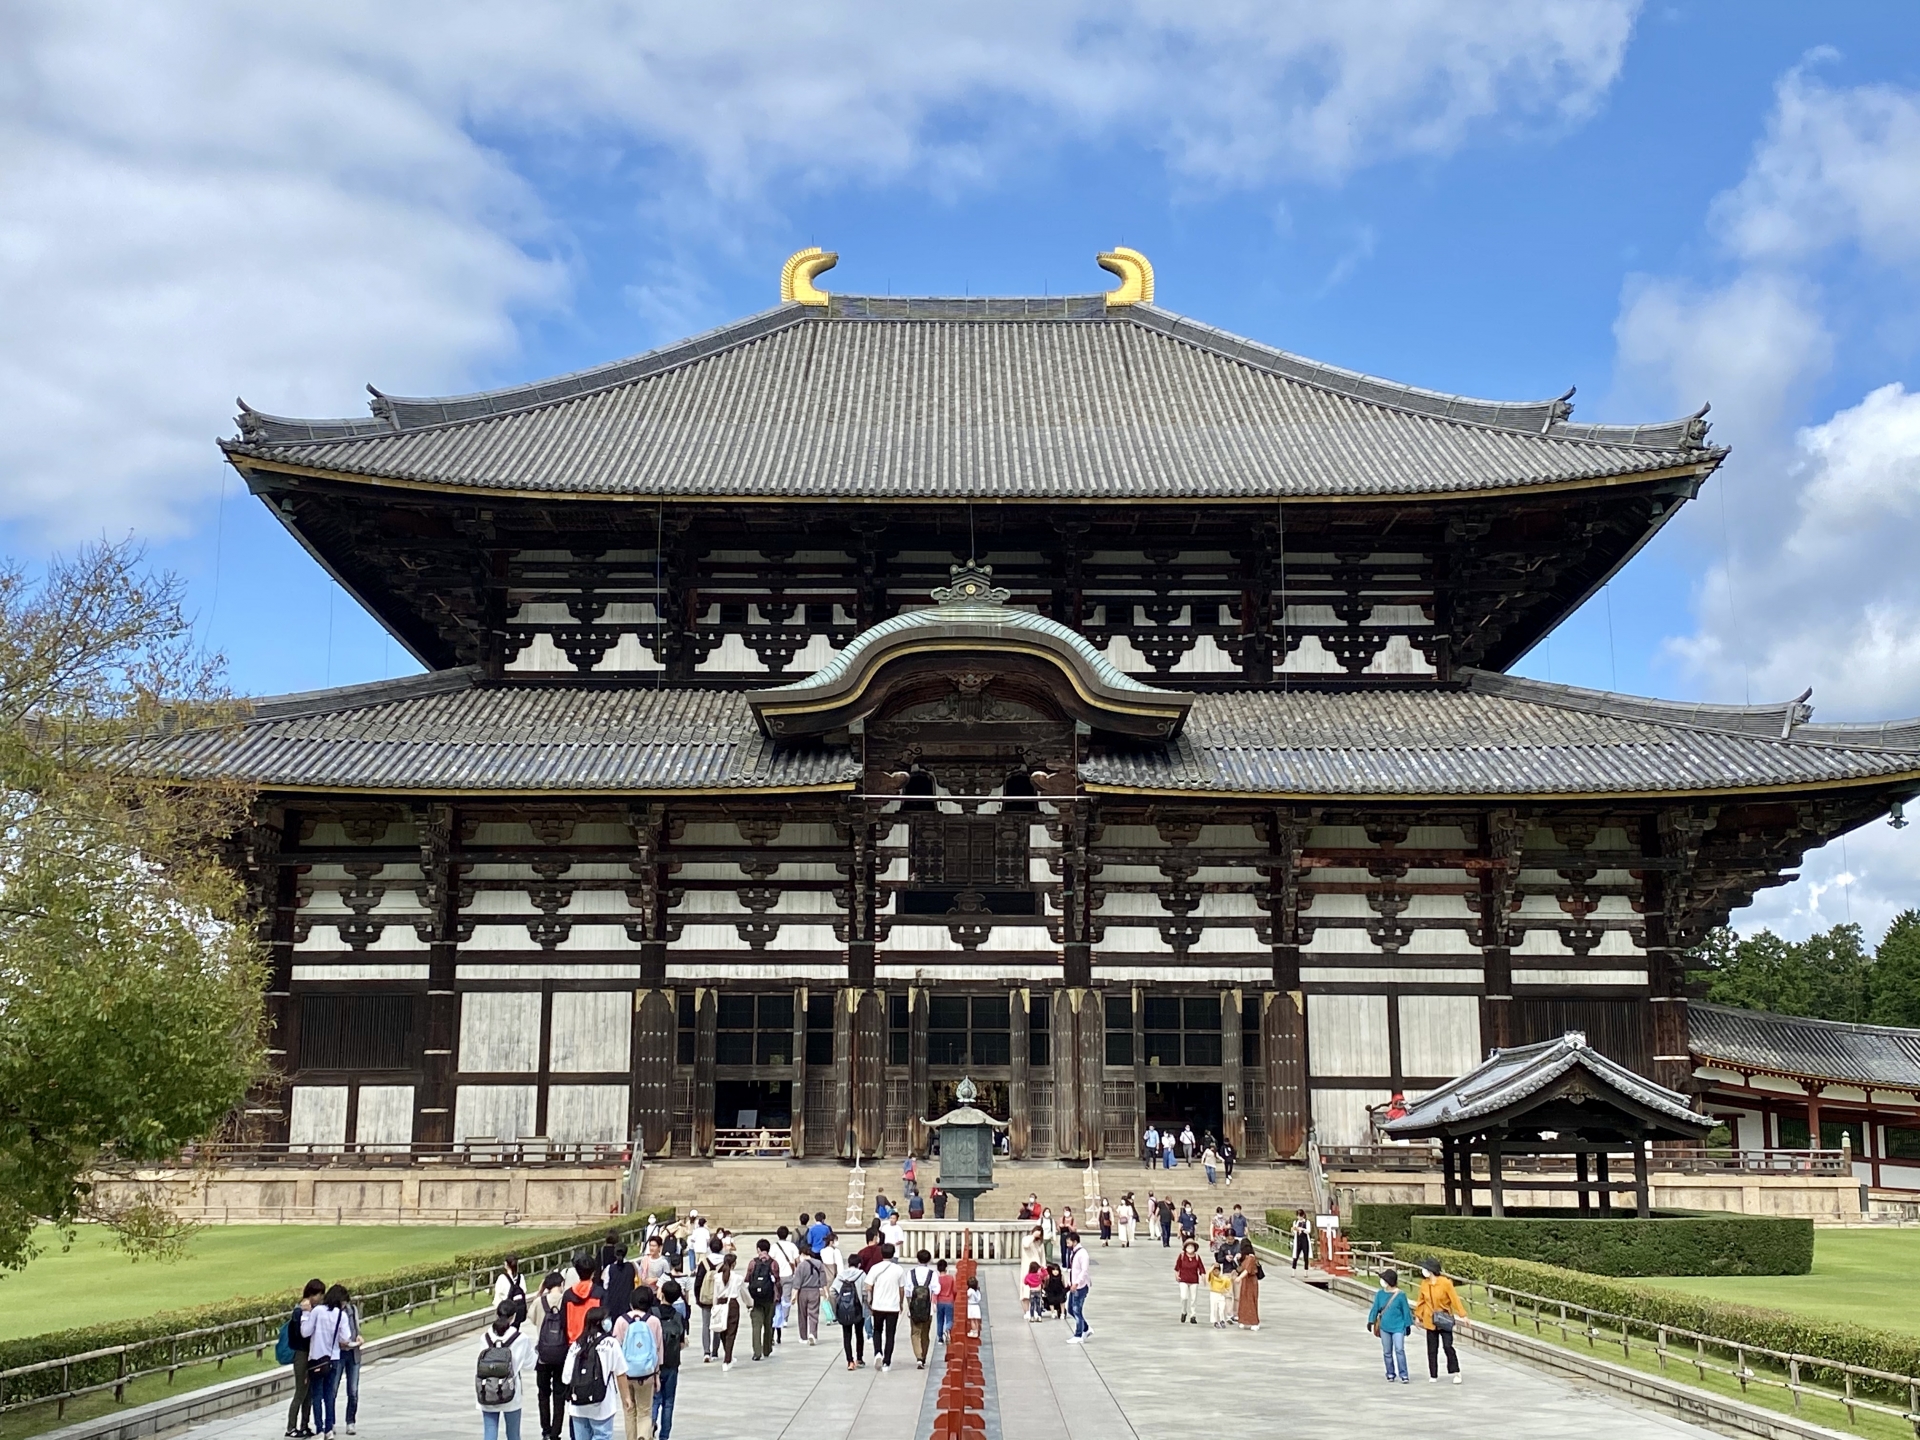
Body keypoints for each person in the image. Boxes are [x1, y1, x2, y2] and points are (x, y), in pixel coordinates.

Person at [477, 1299, 536, 1440]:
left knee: (490, 1432)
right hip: (510, 1390)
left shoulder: (484, 1337)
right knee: (513, 1434)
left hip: (488, 1389)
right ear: (513, 1316)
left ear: (497, 1314)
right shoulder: (521, 1338)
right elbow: (531, 1364)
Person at [562, 1307, 622, 1440]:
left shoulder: (576, 1345)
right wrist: (626, 1397)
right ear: (600, 1322)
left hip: (578, 1405)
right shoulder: (611, 1344)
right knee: (602, 1435)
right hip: (602, 1403)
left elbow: (566, 1377)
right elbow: (621, 1371)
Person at [612, 1285, 662, 1440]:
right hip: (647, 1373)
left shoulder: (621, 1321)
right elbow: (659, 1351)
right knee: (645, 1411)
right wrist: (657, 1375)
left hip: (625, 1374)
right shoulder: (653, 1321)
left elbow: (615, 1348)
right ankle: (643, 1436)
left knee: (629, 1411)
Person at [301, 1281, 349, 1440]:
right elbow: (345, 1338)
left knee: (317, 1396)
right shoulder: (341, 1315)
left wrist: (306, 1314)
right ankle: (329, 1429)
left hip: (317, 1359)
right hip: (333, 1359)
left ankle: (319, 1430)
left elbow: (305, 1332)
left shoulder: (318, 1311)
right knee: (329, 1396)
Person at [1414, 1259, 1468, 1383]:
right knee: (1432, 1349)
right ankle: (1433, 1374)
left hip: (1444, 1319)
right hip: (1430, 1320)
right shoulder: (1424, 1284)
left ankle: (1456, 1372)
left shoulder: (1445, 1283)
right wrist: (1418, 1316)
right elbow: (1421, 1301)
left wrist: (1462, 1314)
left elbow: (1455, 1299)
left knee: (1447, 1346)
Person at [532, 1272, 571, 1440]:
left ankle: (545, 1430)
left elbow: (531, 1318)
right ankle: (556, 1432)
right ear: (561, 1284)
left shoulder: (539, 1302)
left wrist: (540, 1293)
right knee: (559, 1395)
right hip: (562, 1353)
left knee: (543, 1393)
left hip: (543, 1355)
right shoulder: (567, 1300)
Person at [284, 1278, 323, 1438]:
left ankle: (304, 1425)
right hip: (302, 1354)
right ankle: (291, 1427)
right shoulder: (300, 1311)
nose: (320, 1298)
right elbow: (301, 1335)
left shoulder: (312, 1309)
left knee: (309, 1393)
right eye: (319, 1294)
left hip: (310, 1353)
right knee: (301, 1391)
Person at [651, 1281, 688, 1440]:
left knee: (654, 1400)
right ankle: (664, 1436)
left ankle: (649, 1428)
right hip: (672, 1364)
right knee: (669, 1402)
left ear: (662, 1294)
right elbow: (681, 1343)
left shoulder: (652, 1314)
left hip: (654, 1364)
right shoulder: (679, 1317)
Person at [1366, 1268, 1415, 1384]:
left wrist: (1407, 1325)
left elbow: (1406, 1311)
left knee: (1399, 1349)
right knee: (1387, 1351)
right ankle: (1390, 1373)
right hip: (1384, 1327)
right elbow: (1375, 1308)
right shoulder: (1380, 1294)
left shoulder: (1400, 1295)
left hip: (1398, 1327)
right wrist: (1371, 1321)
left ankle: (1404, 1374)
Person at [866, 1242, 906, 1372]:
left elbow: (868, 1286)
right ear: (893, 1254)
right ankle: (887, 1362)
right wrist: (900, 1302)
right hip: (892, 1306)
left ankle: (878, 1352)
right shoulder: (898, 1270)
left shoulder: (875, 1268)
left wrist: (870, 1300)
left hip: (878, 1305)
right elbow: (901, 1289)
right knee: (890, 1334)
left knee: (877, 1330)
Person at [333, 1284, 363, 1437]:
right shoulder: (332, 1313)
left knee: (353, 1390)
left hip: (353, 1353)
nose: (344, 1304)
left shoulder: (352, 1310)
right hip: (338, 1354)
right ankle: (330, 1422)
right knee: (333, 1390)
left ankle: (350, 1421)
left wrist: (358, 1337)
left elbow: (356, 1329)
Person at [905, 1249, 938, 1369]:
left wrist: (909, 1305)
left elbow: (908, 1292)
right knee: (925, 1334)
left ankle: (918, 1357)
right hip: (927, 1309)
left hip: (914, 1309)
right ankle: (923, 1357)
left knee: (915, 1333)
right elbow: (937, 1290)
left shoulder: (911, 1273)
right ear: (929, 1260)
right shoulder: (932, 1274)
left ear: (917, 1259)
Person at [711, 1253, 745, 1370]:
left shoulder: (717, 1277)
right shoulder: (738, 1278)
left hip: (720, 1303)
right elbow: (744, 1294)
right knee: (731, 1332)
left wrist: (714, 1307)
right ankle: (727, 1359)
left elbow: (715, 1294)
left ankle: (728, 1355)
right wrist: (750, 1304)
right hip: (732, 1304)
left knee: (722, 1330)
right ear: (734, 1264)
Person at [693, 1240, 724, 1362]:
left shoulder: (704, 1263)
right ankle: (715, 1351)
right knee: (717, 1325)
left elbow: (698, 1282)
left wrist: (698, 1298)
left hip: (705, 1298)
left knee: (706, 1325)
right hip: (720, 1298)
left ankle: (706, 1352)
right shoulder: (724, 1263)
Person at [563, 1255, 606, 1343]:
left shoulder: (568, 1295)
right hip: (594, 1341)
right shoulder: (600, 1293)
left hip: (573, 1342)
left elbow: (563, 1322)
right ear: (593, 1273)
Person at [832, 1260, 866, 1370]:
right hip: (858, 1308)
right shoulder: (861, 1274)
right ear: (859, 1264)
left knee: (847, 1335)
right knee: (859, 1334)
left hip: (844, 1309)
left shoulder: (841, 1275)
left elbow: (832, 1291)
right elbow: (866, 1291)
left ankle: (850, 1361)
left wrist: (839, 1302)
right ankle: (859, 1359)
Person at [792, 1245, 826, 1347]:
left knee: (802, 1314)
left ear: (802, 1254)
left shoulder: (800, 1266)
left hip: (803, 1292)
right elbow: (823, 1279)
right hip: (814, 1290)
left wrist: (793, 1296)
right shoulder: (819, 1263)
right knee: (813, 1314)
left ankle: (803, 1337)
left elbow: (797, 1283)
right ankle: (813, 1334)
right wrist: (825, 1291)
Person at [1063, 1230, 1091, 1342]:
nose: (1067, 1244)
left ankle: (1078, 1335)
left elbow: (1084, 1270)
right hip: (1073, 1284)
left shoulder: (1082, 1254)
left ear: (1074, 1242)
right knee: (1070, 1309)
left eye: (1069, 1242)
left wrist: (1077, 1282)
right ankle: (1086, 1328)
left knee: (1076, 1310)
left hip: (1080, 1286)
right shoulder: (1073, 1252)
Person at [603, 1243, 636, 1324]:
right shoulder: (633, 1266)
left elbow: (605, 1286)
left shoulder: (609, 1268)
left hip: (613, 1305)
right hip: (628, 1304)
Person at [1174, 1240, 1204, 1325]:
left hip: (1194, 1280)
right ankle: (1184, 1312)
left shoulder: (1197, 1257)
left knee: (1193, 1299)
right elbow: (1177, 1267)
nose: (1190, 1248)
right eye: (1188, 1247)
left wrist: (1203, 1276)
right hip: (1183, 1279)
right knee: (1184, 1297)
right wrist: (1176, 1275)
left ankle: (1193, 1315)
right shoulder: (1182, 1256)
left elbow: (1201, 1268)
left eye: (1192, 1247)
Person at [1235, 1241, 1262, 1332]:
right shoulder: (1246, 1258)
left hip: (1251, 1281)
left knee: (1251, 1300)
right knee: (1243, 1300)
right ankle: (1243, 1319)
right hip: (1246, 1281)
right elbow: (1241, 1268)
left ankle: (1254, 1322)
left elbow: (1247, 1270)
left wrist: (1239, 1278)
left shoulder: (1251, 1258)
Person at [495, 1255, 530, 1324]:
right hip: (519, 1309)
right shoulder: (521, 1277)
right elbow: (524, 1291)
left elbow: (498, 1294)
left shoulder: (502, 1278)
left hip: (506, 1310)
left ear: (506, 1265)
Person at [1205, 1259, 1235, 1328]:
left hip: (1221, 1295)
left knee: (1222, 1308)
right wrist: (1213, 1267)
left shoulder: (1224, 1279)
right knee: (1214, 1308)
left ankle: (1222, 1320)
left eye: (1217, 1271)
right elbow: (1208, 1274)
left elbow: (1228, 1285)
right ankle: (1215, 1321)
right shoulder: (1212, 1278)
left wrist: (1226, 1290)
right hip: (1213, 1294)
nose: (1216, 1272)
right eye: (1214, 1271)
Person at [933, 1259, 956, 1343]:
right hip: (949, 1301)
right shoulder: (950, 1278)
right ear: (946, 1268)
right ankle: (947, 1330)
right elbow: (954, 1290)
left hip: (940, 1301)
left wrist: (934, 1302)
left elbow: (935, 1292)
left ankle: (940, 1338)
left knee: (940, 1320)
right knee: (949, 1319)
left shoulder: (937, 1279)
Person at [966, 1274, 982, 1338]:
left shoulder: (970, 1291)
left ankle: (973, 1331)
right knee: (976, 1320)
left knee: (972, 1319)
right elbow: (979, 1299)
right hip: (976, 1306)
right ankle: (977, 1331)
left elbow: (967, 1296)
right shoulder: (977, 1291)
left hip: (971, 1306)